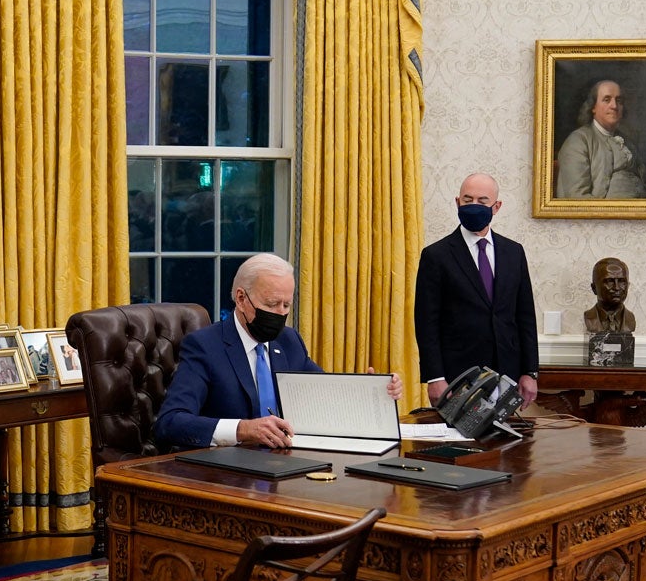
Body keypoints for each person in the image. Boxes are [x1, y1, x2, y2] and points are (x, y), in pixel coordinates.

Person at [157, 253, 402, 450]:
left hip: (287, 463)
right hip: (229, 473)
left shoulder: (289, 341)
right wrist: (242, 430)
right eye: (272, 304)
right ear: (241, 299)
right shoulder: (205, 346)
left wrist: (372, 390)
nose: (280, 313)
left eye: (286, 305)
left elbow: (324, 392)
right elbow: (171, 422)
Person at [414, 172, 540, 409]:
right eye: (467, 199)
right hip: (457, 378)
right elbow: (426, 323)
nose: (474, 206)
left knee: (506, 445)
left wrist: (530, 372)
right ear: (457, 202)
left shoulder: (514, 252)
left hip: (507, 375)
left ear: (496, 206)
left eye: (482, 201)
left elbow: (525, 317)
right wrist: (435, 378)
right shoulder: (436, 256)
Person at [555, 80, 646, 199]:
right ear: (593, 107)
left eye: (619, 100)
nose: (614, 106)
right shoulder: (578, 141)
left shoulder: (628, 142)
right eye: (607, 100)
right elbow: (576, 196)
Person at [583, 257, 637, 333]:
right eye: (609, 281)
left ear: (628, 285)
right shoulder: (589, 318)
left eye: (622, 281)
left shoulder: (630, 319)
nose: (617, 287)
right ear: (594, 288)